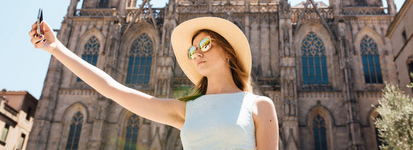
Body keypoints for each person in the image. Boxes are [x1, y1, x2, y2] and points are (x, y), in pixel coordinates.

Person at [29, 16, 279, 149]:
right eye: (192, 51)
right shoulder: (186, 110)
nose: (197, 53)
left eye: (205, 44)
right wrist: (56, 48)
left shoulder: (259, 106)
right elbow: (111, 88)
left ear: (228, 52)